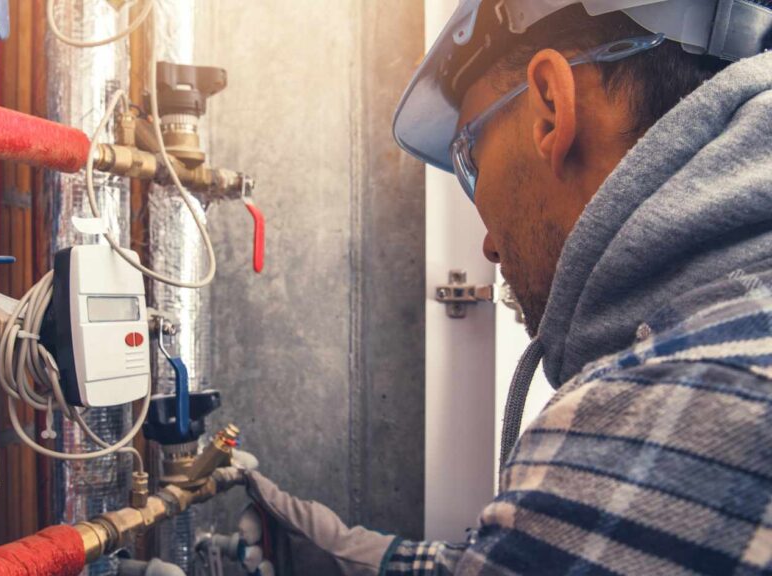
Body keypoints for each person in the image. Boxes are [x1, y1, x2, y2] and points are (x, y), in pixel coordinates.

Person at [223, 1, 772, 574]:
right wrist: (342, 553)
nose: (487, 245)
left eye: (471, 159)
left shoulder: (665, 412)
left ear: (551, 109)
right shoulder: (728, 339)